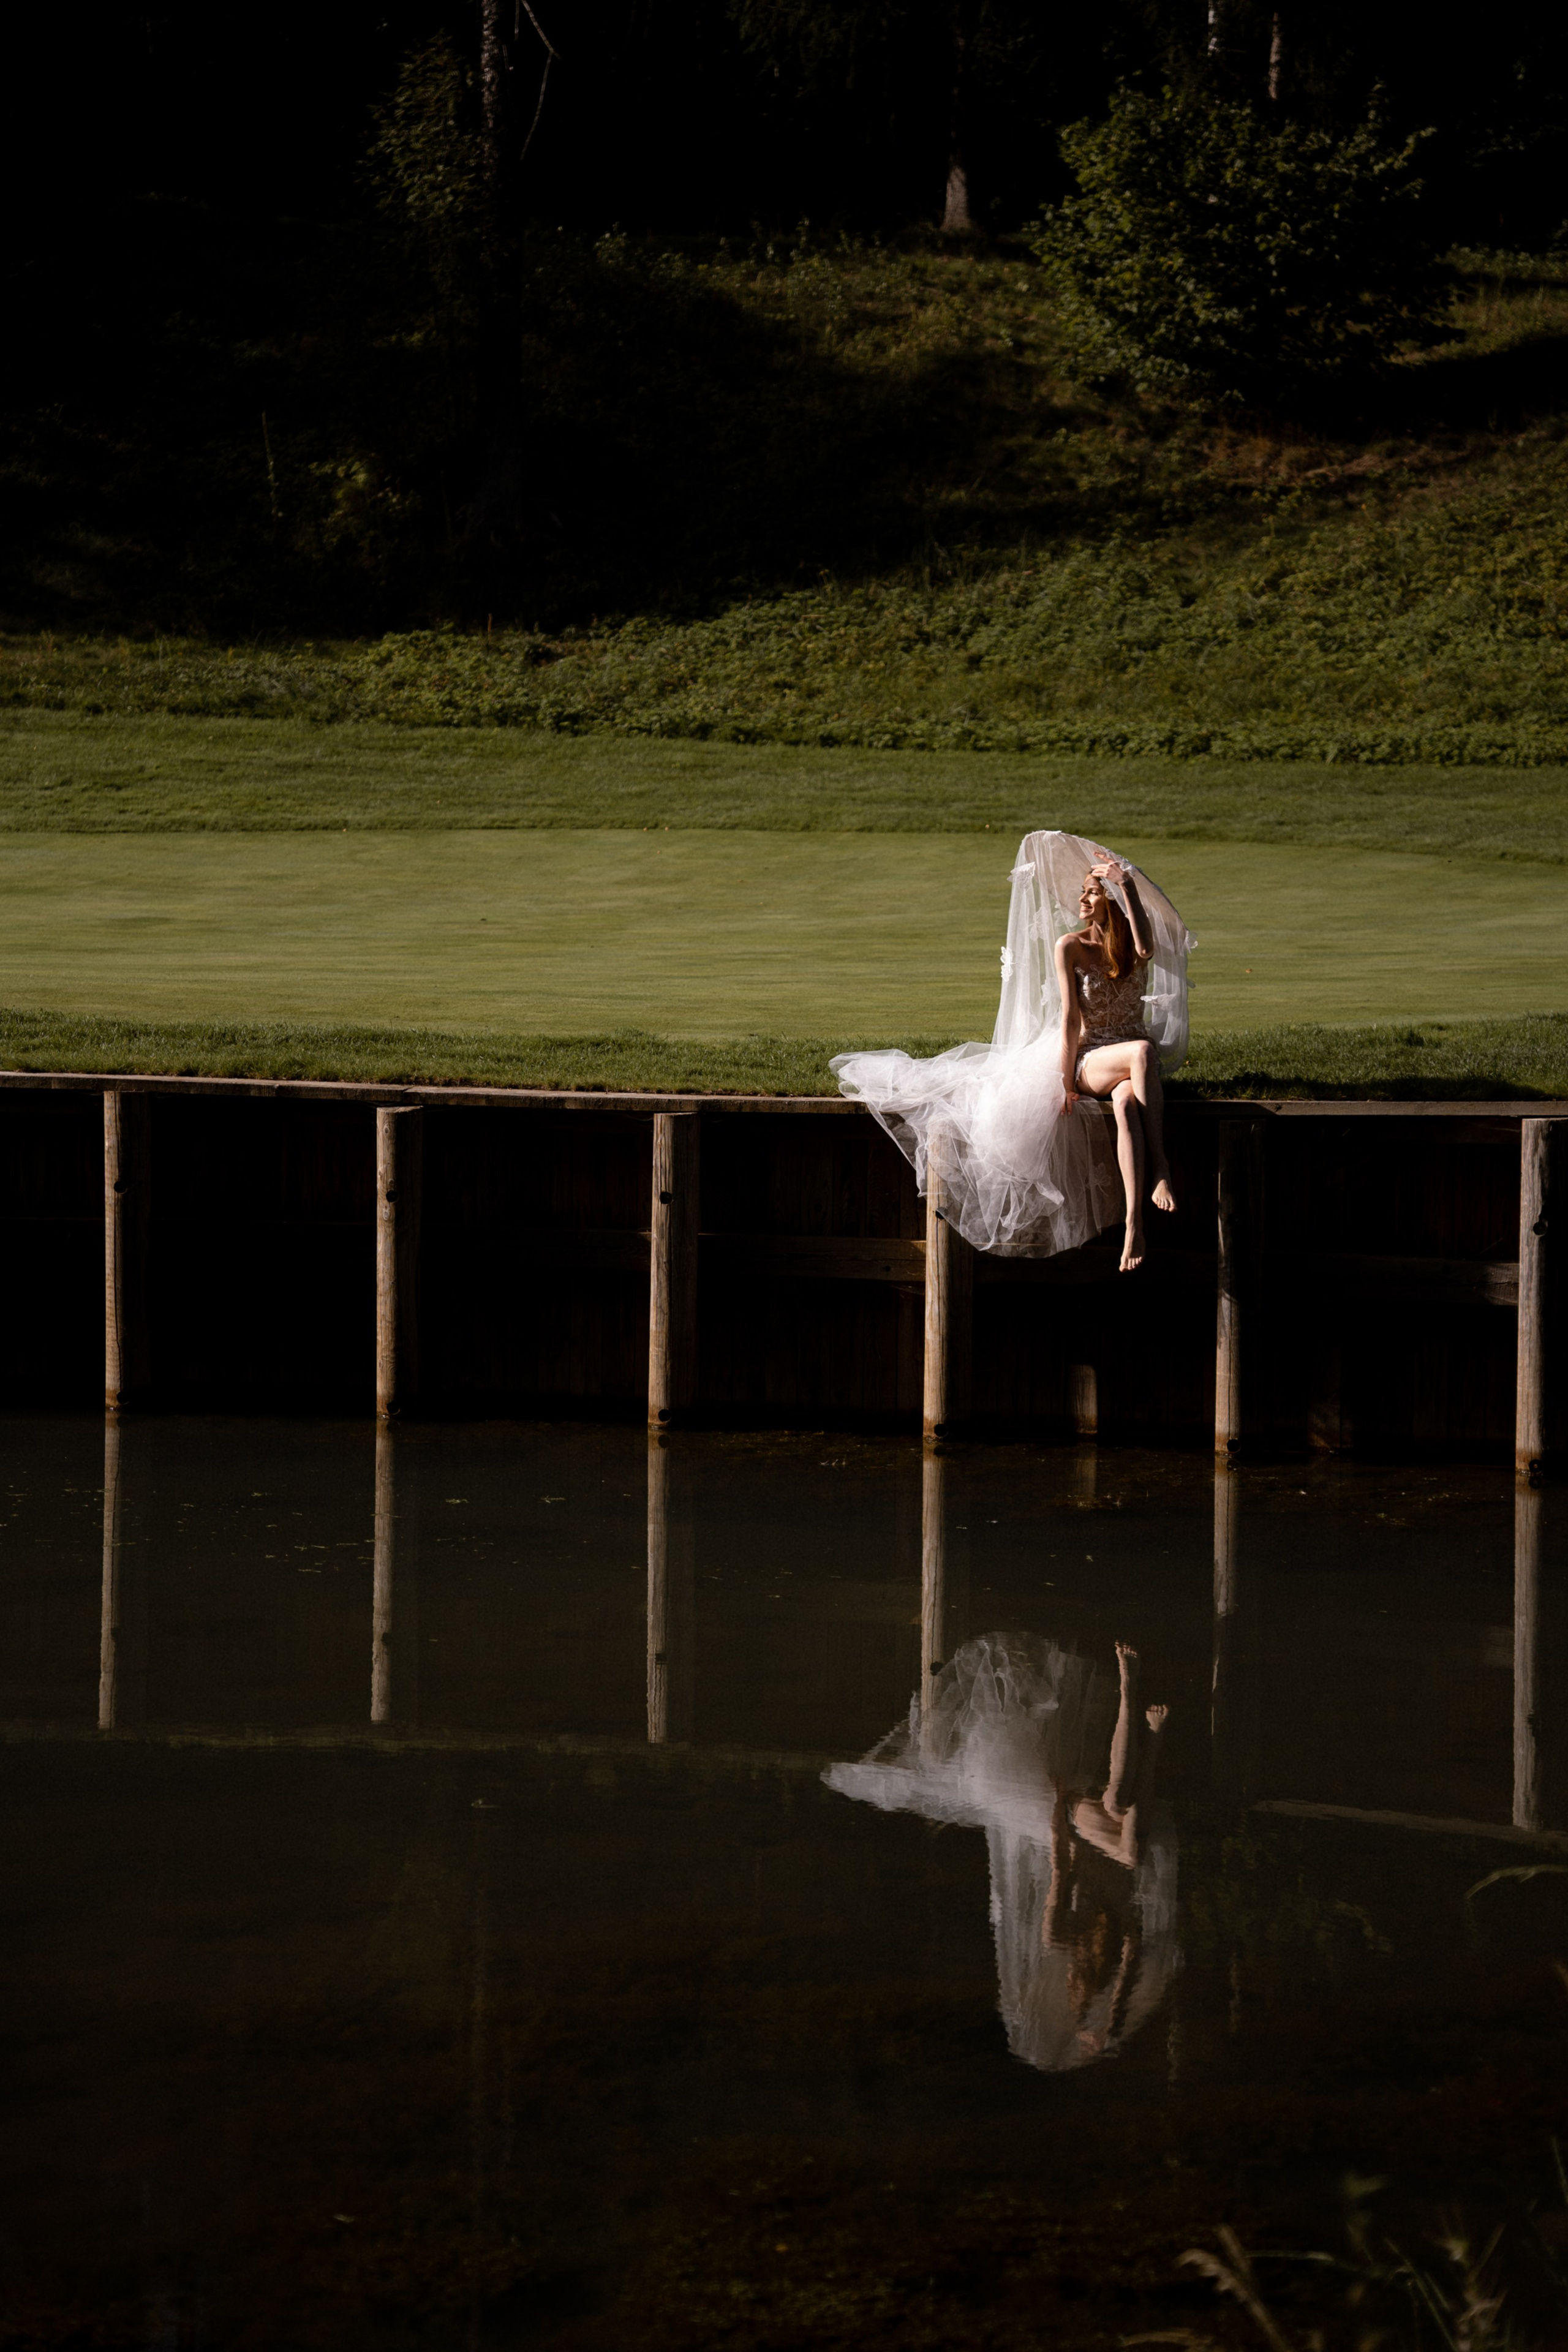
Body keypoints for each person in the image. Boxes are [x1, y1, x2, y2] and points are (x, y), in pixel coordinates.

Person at [832, 831, 1194, 1267]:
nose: (1081, 900)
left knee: (1125, 1106)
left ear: (1112, 902)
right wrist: (1065, 1084)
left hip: (1123, 1058)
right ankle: (1161, 1168)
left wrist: (1127, 883)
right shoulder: (1072, 947)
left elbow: (1147, 946)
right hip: (1090, 1057)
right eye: (1083, 892)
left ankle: (1135, 1224)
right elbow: (1069, 1021)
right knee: (1142, 1053)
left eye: (1093, 893)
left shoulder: (1132, 944)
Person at [824, 1635, 1178, 2073]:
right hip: (1116, 1837)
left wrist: (1056, 1803)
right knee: (1128, 1837)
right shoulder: (1122, 1937)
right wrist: (1106, 2028)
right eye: (1078, 1984)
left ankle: (1135, 1699)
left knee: (1121, 1818)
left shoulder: (1061, 1935)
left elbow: (1060, 1863)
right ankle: (1150, 1737)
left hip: (1074, 1825)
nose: (1071, 1978)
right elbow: (1125, 1982)